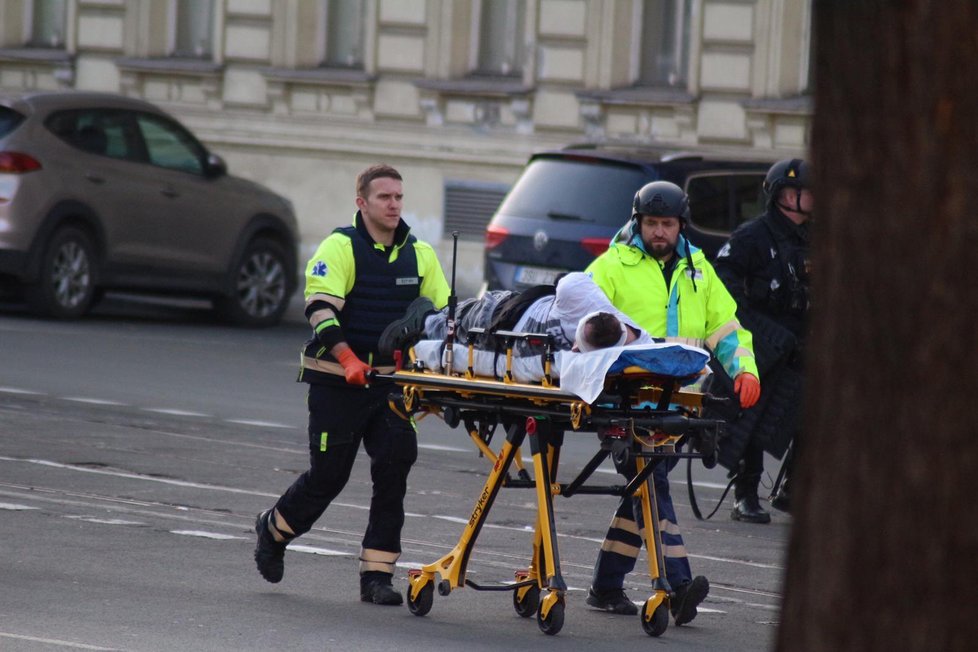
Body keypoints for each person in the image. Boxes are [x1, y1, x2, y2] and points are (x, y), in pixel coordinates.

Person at [252, 164, 449, 605]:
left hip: (392, 388)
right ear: (362, 202)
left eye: (399, 196)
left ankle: (376, 577)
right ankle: (273, 529)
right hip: (337, 383)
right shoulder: (339, 247)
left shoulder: (421, 255)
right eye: (384, 197)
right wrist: (348, 359)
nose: (394, 204)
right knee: (328, 477)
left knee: (394, 468)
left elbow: (440, 319)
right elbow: (320, 309)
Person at [583, 180, 761, 625]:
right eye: (651, 223)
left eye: (666, 223)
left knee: (643, 488)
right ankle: (678, 585)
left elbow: (726, 328)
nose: (658, 231)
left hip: (679, 403)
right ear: (637, 223)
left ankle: (606, 586)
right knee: (651, 481)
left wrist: (744, 369)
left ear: (680, 224)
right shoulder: (610, 267)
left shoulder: (699, 269)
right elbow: (581, 327)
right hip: (620, 402)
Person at [712, 158, 812, 521]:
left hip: (801, 345)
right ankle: (746, 494)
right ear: (784, 195)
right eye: (805, 192)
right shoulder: (752, 237)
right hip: (762, 346)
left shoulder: (815, 240)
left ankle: (792, 488)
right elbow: (723, 288)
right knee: (750, 422)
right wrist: (759, 334)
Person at [378, 271, 654, 362]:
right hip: (504, 314)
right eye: (577, 342)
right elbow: (566, 280)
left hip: (515, 345)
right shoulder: (584, 297)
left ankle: (426, 325)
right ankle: (423, 318)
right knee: (457, 326)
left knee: (464, 340)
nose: (573, 348)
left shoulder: (636, 343)